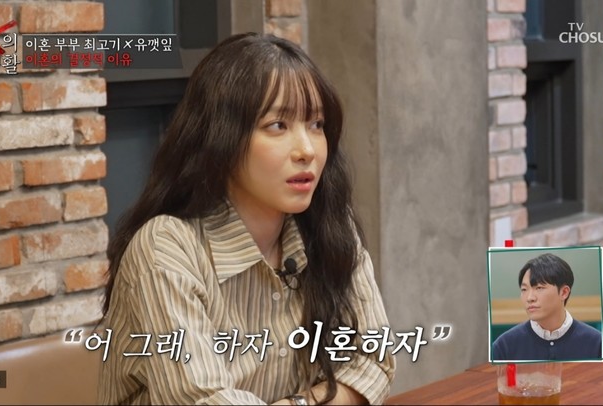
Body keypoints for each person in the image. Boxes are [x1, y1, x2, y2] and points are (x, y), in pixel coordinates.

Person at [98, 33, 396, 405]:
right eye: (278, 126)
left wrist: (299, 403)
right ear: (222, 137)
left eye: (317, 124)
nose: (307, 150)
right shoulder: (166, 249)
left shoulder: (329, 225)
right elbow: (205, 400)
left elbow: (375, 360)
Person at [492, 253, 602, 362]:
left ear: (564, 292)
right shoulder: (504, 347)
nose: (530, 298)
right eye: (524, 289)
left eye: (539, 288)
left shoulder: (597, 343)